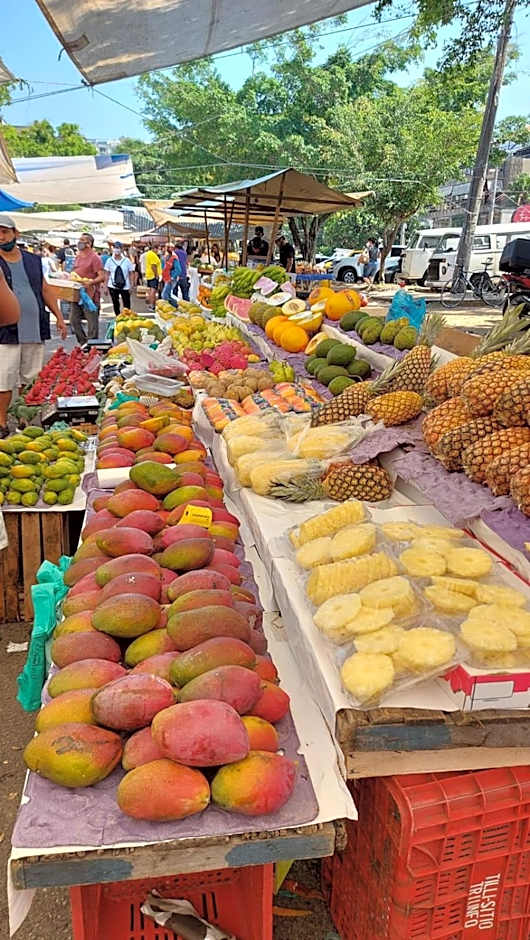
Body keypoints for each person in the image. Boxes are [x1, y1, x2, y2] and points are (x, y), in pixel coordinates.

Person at [0, 214, 67, 436]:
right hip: (5, 331)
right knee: (4, 378)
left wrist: (58, 315)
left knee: (30, 379)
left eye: (5, 232)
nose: (1, 237)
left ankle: (23, 419)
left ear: (15, 234)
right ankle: (1, 421)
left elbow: (45, 289)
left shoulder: (32, 260)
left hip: (34, 327)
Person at [70, 233, 105, 344]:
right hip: (77, 294)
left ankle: (92, 346)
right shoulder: (78, 256)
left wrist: (91, 282)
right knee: (74, 320)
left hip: (90, 296)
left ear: (89, 244)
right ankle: (83, 343)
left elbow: (102, 276)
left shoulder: (95, 258)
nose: (79, 242)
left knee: (92, 324)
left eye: (82, 240)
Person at [104, 242, 135, 316]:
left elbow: (131, 273)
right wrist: (105, 286)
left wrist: (132, 284)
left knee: (127, 304)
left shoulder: (127, 261)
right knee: (115, 303)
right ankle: (117, 317)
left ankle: (127, 318)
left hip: (125, 286)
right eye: (115, 248)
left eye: (118, 248)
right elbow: (107, 274)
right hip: (112, 285)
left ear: (122, 249)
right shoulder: (109, 261)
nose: (116, 250)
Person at [144, 244, 162, 310]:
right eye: (158, 249)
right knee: (153, 290)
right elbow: (153, 266)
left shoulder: (149, 254)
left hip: (150, 275)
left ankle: (152, 304)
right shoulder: (152, 255)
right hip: (153, 275)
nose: (158, 251)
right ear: (154, 248)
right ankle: (152, 305)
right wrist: (156, 275)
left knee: (152, 290)